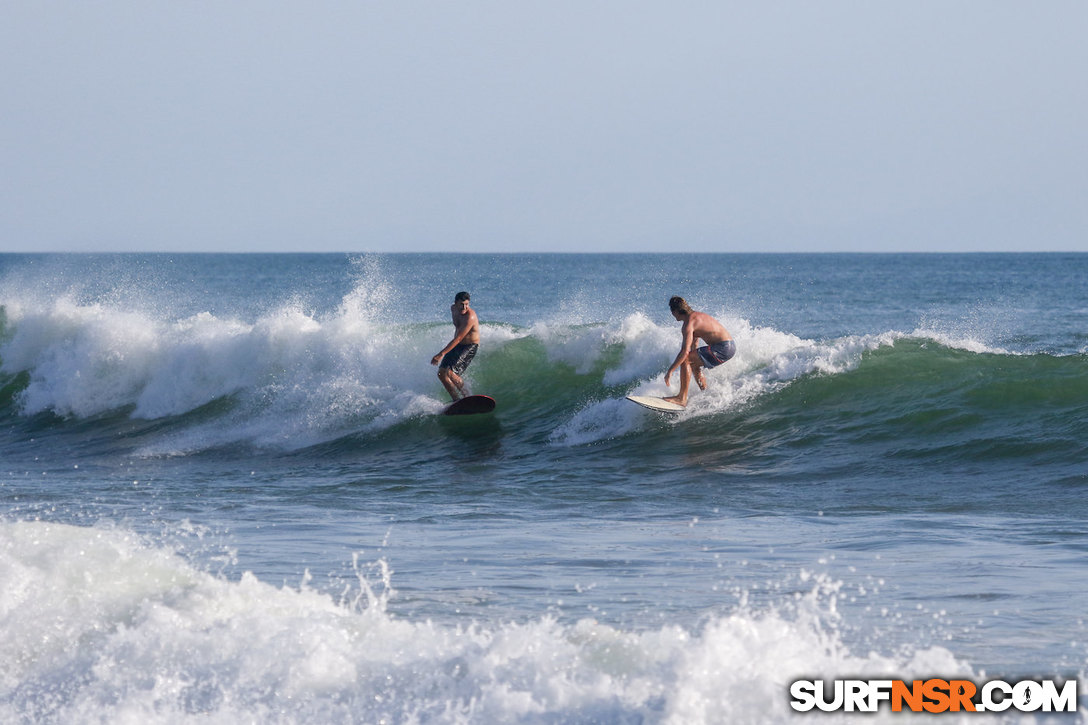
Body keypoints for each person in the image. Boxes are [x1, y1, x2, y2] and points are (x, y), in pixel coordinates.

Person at [663, 296, 735, 407]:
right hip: (729, 347)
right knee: (693, 362)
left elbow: (684, 351)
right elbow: (694, 345)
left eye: (672, 311)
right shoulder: (697, 316)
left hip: (723, 347)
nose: (672, 314)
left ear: (676, 311)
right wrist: (692, 363)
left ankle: (681, 398)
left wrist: (670, 371)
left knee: (686, 359)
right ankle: (704, 391)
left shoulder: (688, 324)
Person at [431, 291, 480, 401]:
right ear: (455, 303)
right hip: (458, 344)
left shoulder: (470, 317)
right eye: (461, 304)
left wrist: (441, 354)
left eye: (467, 304)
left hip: (469, 346)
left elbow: (458, 338)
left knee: (450, 372)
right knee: (441, 373)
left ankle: (467, 396)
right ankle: (456, 399)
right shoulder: (453, 309)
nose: (464, 307)